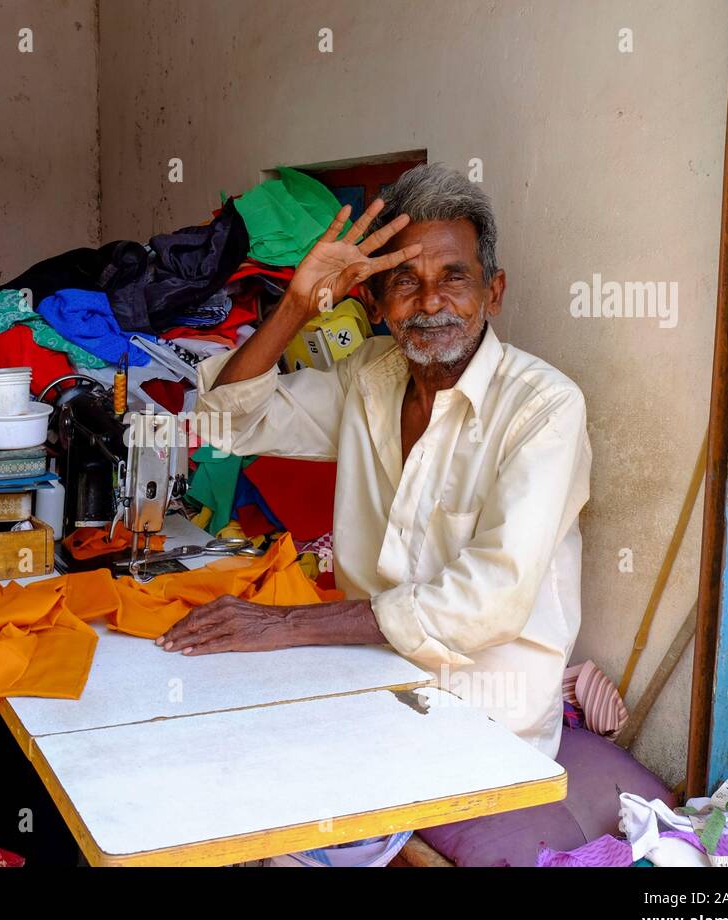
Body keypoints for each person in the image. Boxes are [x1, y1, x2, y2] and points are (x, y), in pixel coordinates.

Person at [164, 163, 590, 759]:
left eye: (454, 277)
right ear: (375, 299)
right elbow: (230, 420)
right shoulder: (369, 377)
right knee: (191, 735)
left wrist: (285, 626)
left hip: (485, 719)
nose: (431, 301)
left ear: (493, 292)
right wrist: (294, 305)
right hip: (364, 678)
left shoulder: (544, 407)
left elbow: (486, 598)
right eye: (406, 281)